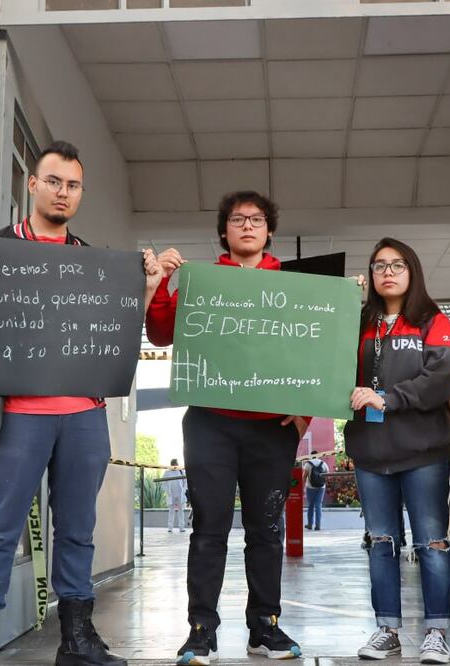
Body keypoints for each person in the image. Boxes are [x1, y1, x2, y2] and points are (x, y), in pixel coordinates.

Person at [0, 141, 164, 666]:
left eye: (73, 185)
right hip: (17, 415)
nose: (63, 192)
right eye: (54, 181)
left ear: (81, 193)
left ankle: (76, 640)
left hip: (84, 416)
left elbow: (120, 333)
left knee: (78, 531)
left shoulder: (94, 263)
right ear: (32, 184)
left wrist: (147, 290)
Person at [145, 191, 308, 665]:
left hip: (271, 429)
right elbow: (160, 333)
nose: (248, 226)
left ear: (269, 230)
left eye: (256, 219)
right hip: (210, 423)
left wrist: (305, 416)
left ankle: (265, 628)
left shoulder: (296, 285)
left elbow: (316, 351)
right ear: (224, 231)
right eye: (238, 219)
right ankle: (201, 631)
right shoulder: (202, 281)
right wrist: (163, 282)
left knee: (266, 531)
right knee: (208, 530)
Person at [343, 238, 450, 665]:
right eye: (379, 266)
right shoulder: (358, 323)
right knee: (381, 542)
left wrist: (389, 398)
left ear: (412, 271)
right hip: (371, 453)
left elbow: (441, 375)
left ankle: (436, 632)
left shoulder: (432, 320)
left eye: (397, 264)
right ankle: (387, 630)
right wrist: (341, 304)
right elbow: (328, 366)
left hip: (424, 452)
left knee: (432, 543)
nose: (387, 272)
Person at [301, 450, 328, 531]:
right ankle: (318, 525)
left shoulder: (308, 464)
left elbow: (304, 477)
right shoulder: (323, 464)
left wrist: (302, 488)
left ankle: (310, 524)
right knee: (318, 505)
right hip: (321, 488)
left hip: (310, 488)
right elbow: (327, 475)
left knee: (310, 506)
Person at [163, 458, 188, 533]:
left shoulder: (181, 471)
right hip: (171, 495)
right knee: (171, 511)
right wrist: (167, 491)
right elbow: (164, 483)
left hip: (180, 494)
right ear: (172, 465)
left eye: (176, 464)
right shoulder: (167, 472)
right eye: (174, 464)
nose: (176, 465)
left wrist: (184, 491)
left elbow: (185, 482)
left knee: (181, 511)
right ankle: (170, 528)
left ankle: (181, 528)